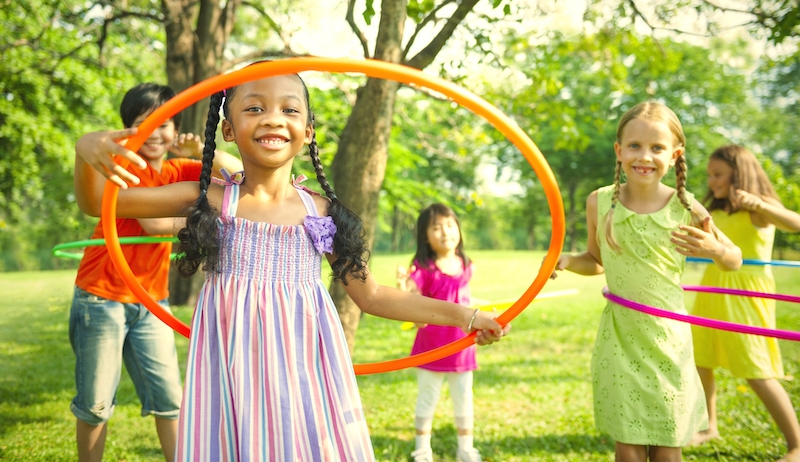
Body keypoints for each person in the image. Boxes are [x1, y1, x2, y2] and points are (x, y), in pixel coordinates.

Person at [73, 71, 510, 462]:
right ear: (228, 128)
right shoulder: (208, 198)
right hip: (231, 375)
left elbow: (372, 295)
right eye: (254, 108)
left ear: (308, 129)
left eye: (289, 109)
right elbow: (98, 203)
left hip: (303, 375)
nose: (272, 118)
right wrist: (85, 147)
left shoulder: (321, 212)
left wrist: (466, 316)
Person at [550, 101, 742, 462]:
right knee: (628, 445)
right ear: (619, 151)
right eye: (635, 146)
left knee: (668, 444)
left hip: (668, 339)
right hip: (621, 337)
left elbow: (735, 259)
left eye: (657, 148)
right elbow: (596, 262)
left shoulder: (685, 206)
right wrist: (567, 261)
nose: (645, 156)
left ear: (674, 155)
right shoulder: (600, 202)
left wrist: (716, 248)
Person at [69, 83, 241, 462]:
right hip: (101, 297)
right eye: (144, 123)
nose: (156, 131)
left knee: (170, 400)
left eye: (164, 122)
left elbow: (240, 173)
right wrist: (205, 221)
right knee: (96, 403)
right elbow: (156, 224)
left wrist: (202, 152)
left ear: (175, 129)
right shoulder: (124, 170)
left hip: (151, 301)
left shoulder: (182, 169)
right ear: (126, 130)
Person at [689, 144, 800, 461]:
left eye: (718, 174)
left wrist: (760, 203)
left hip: (747, 294)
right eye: (710, 174)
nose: (711, 181)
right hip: (712, 287)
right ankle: (709, 425)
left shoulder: (759, 209)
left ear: (740, 173)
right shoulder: (717, 212)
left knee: (756, 370)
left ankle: (796, 444)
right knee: (702, 359)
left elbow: (796, 223)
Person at [396, 203, 483, 462]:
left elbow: (463, 296)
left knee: (464, 399)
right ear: (425, 236)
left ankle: (465, 448)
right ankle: (422, 449)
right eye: (436, 227)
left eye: (449, 224)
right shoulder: (424, 269)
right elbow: (412, 296)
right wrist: (403, 285)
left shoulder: (466, 265)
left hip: (462, 348)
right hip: (431, 349)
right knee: (427, 398)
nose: (445, 232)